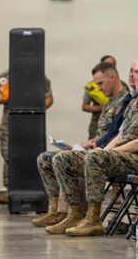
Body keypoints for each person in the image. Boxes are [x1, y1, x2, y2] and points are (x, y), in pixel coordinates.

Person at [49, 58, 138, 237]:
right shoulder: (133, 103)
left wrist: (107, 153)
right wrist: (102, 151)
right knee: (62, 159)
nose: (137, 77)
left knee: (95, 157)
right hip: (119, 155)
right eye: (135, 72)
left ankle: (93, 219)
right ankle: (74, 213)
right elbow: (119, 135)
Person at [32, 61, 128, 228]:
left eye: (101, 83)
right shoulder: (110, 101)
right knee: (44, 159)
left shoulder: (126, 101)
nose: (98, 88)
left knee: (63, 159)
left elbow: (118, 135)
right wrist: (86, 144)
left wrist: (94, 146)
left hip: (109, 153)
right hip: (97, 148)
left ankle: (73, 213)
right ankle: (57, 210)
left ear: (112, 78)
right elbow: (103, 133)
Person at [0, 67, 53, 205]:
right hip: (10, 122)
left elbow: (49, 98)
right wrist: (6, 98)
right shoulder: (5, 76)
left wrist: (37, 109)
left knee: (31, 155)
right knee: (9, 155)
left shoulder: (38, 75)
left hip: (32, 122)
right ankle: (10, 191)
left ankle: (32, 191)